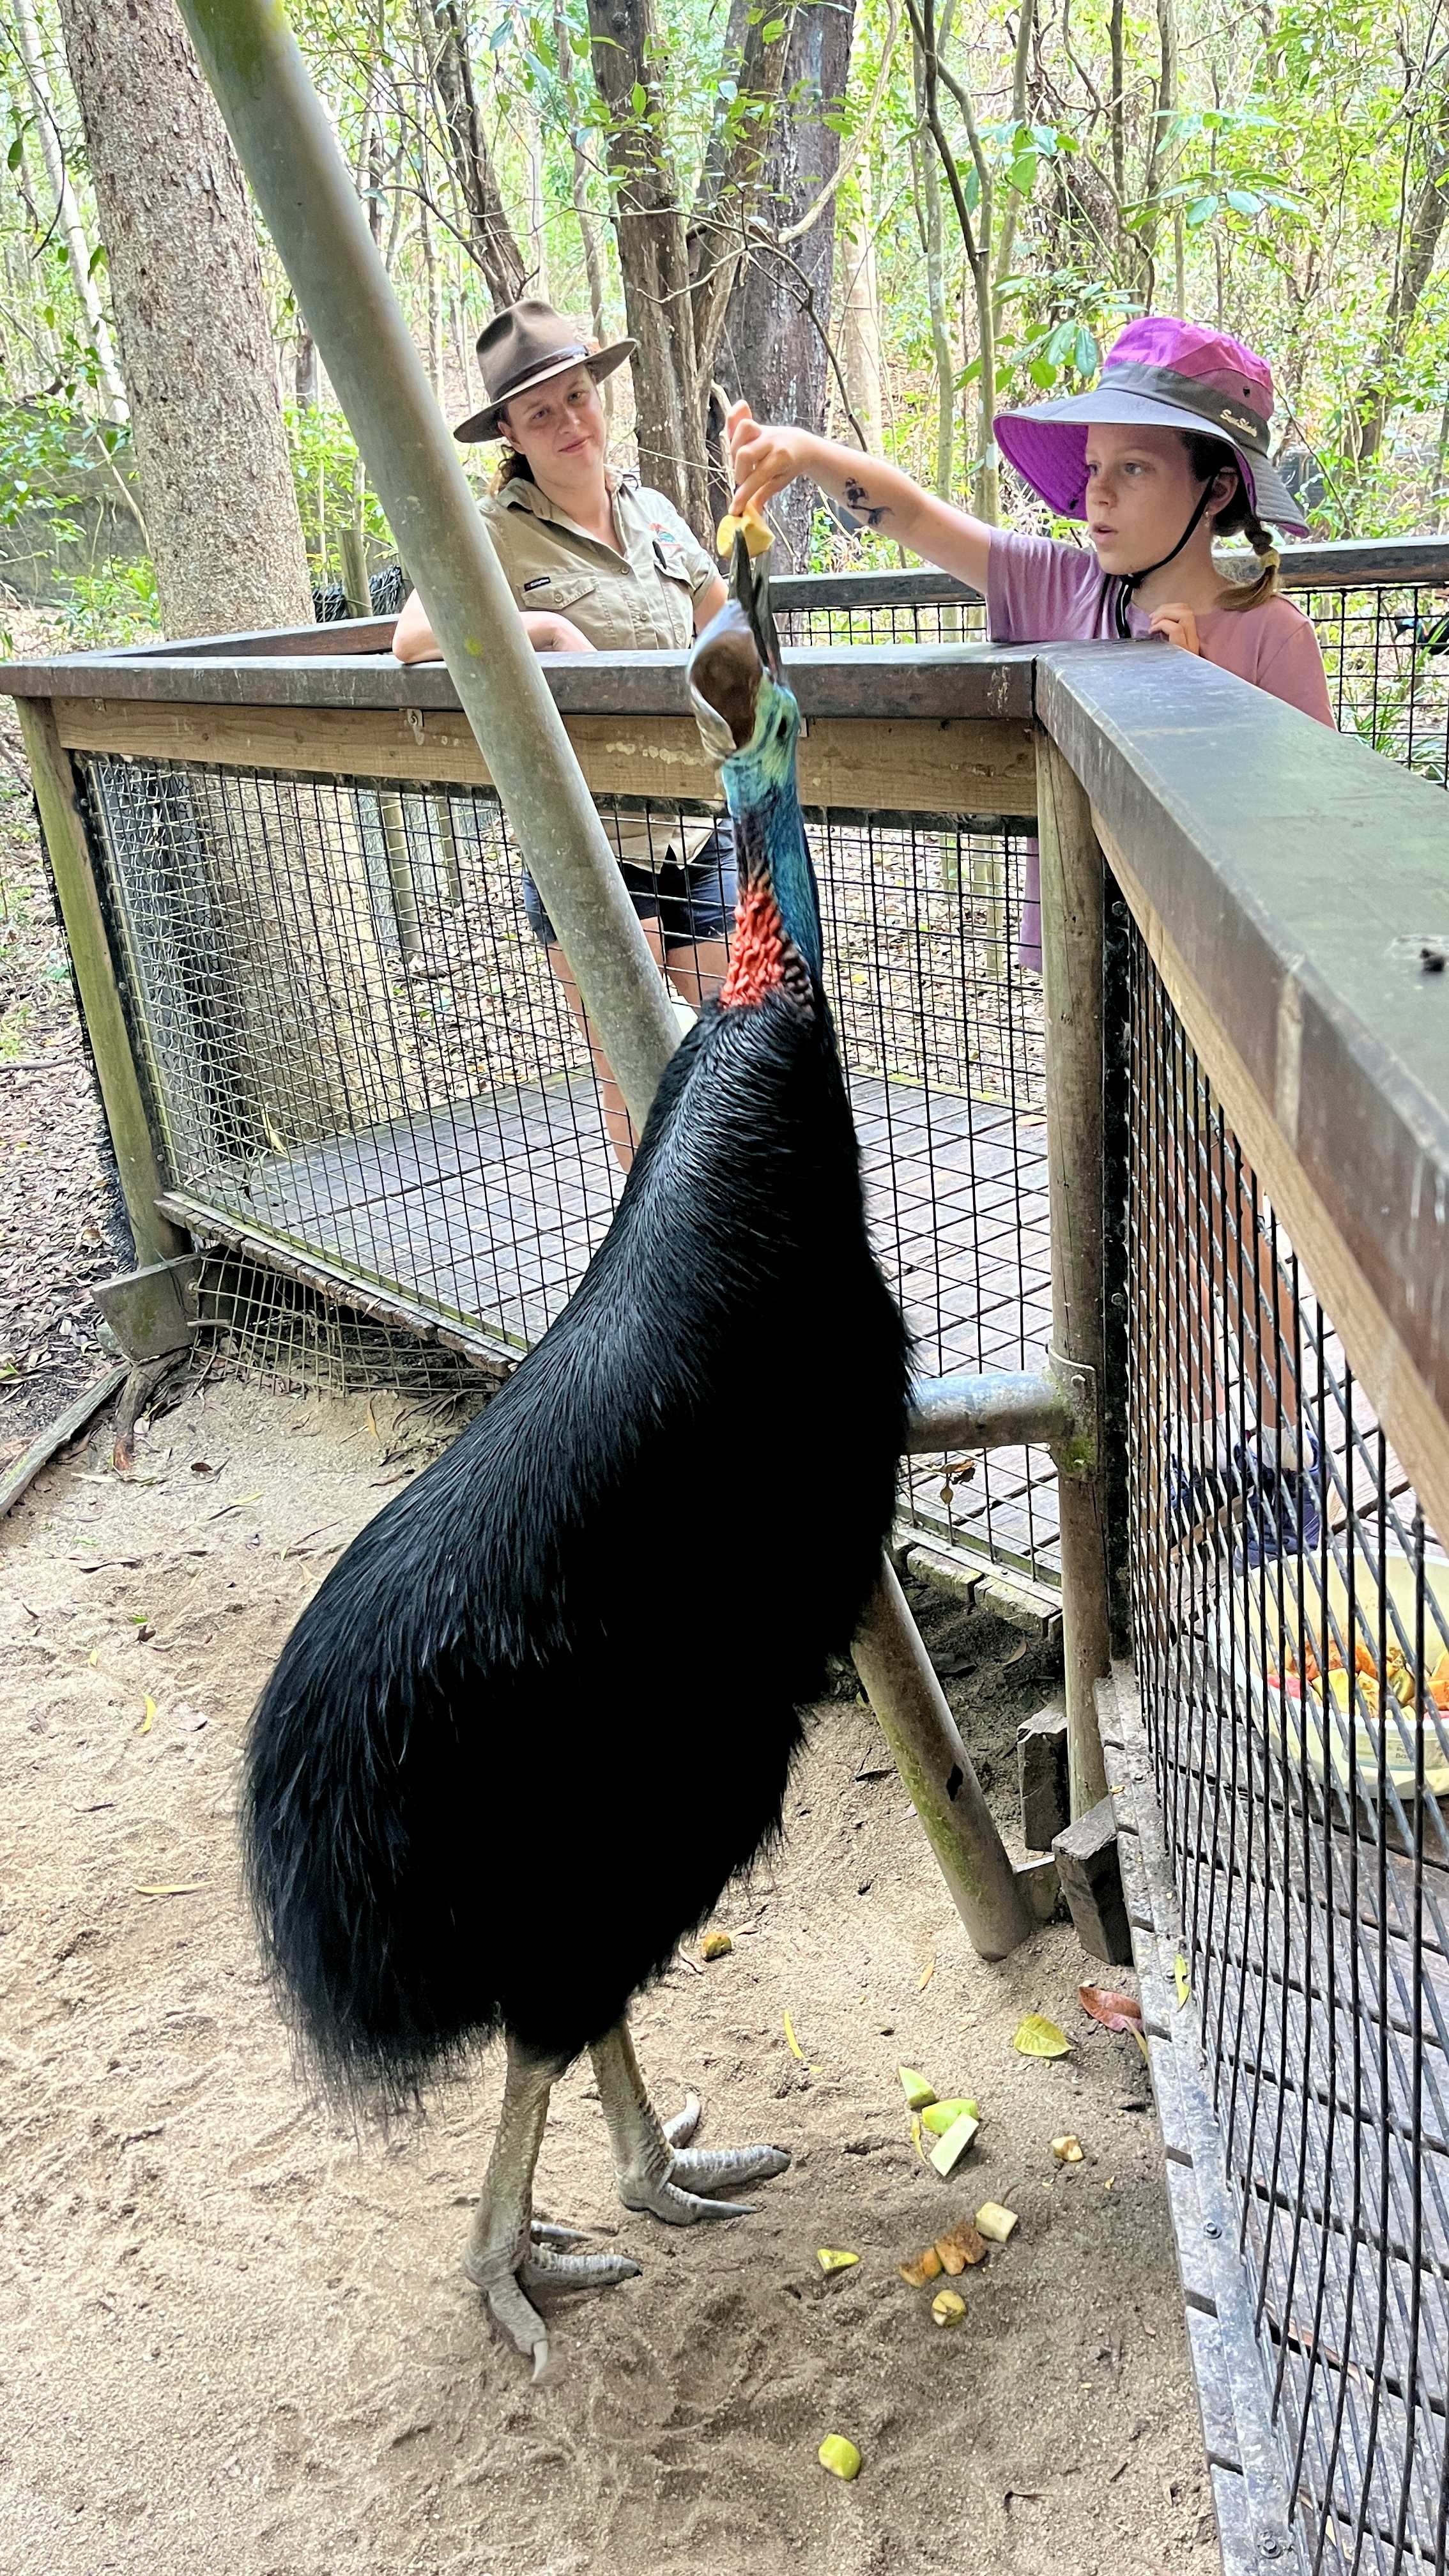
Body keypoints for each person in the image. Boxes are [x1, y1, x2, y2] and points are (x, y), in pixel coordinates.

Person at [728, 315, 1331, 1563]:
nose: (1094, 498)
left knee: (1222, 1216)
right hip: (1088, 975)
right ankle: (1187, 1443)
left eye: (1133, 471)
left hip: (1205, 984)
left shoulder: (1273, 634)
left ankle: (1281, 1453)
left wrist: (1197, 705)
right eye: (1090, 469)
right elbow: (919, 517)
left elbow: (1302, 830)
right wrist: (800, 452)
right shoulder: (1065, 586)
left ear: (1215, 486)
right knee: (1150, 1224)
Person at [395, 298, 732, 1165]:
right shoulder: (493, 533)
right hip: (588, 844)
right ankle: (655, 1274)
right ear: (508, 428)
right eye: (540, 410)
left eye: (578, 396)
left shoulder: (652, 509)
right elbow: (411, 638)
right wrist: (541, 631)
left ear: (600, 397)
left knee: (732, 1056)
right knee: (637, 1070)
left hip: (695, 829)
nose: (568, 421)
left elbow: (720, 618)